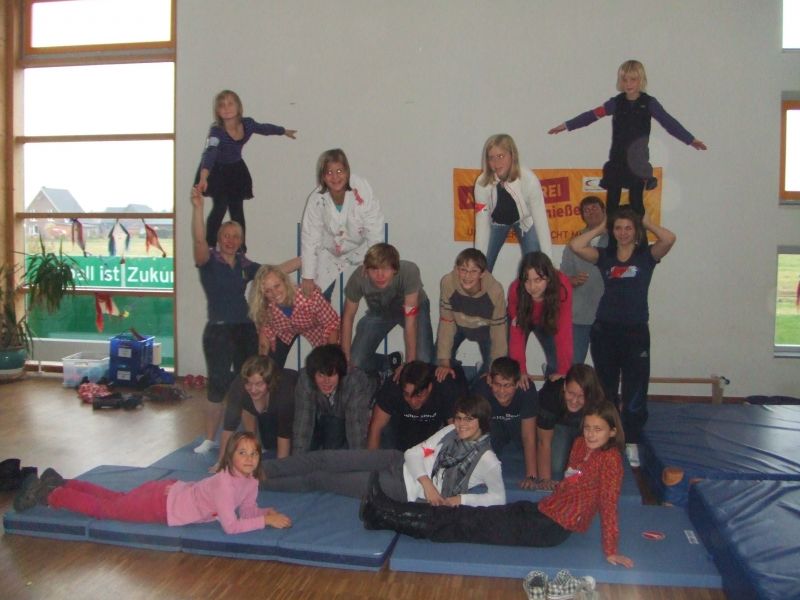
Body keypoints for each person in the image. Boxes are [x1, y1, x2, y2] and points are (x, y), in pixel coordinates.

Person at [360, 401, 634, 568]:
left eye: (598, 429)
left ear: (613, 431)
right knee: (469, 514)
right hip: (542, 510)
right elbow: (572, 480)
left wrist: (611, 550)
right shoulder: (580, 444)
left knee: (465, 524)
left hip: (552, 529)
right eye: (587, 427)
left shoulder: (611, 461)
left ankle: (384, 515)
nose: (590, 434)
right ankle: (384, 511)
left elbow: (609, 505)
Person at [191, 186, 299, 454]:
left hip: (245, 329)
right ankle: (209, 438)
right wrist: (198, 208)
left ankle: (253, 438)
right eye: (226, 236)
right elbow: (199, 241)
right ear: (219, 238)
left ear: (241, 241)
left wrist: (309, 257)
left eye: (236, 237)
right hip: (218, 331)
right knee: (217, 385)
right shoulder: (208, 261)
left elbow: (274, 271)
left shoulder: (244, 264)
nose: (231, 240)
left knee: (251, 382)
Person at [15, 433, 292, 534]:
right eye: (242, 453)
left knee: (116, 498)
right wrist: (264, 522)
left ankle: (63, 482)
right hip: (160, 505)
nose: (249, 458)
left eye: (254, 454)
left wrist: (263, 513)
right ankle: (50, 494)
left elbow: (246, 510)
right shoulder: (224, 484)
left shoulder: (250, 480)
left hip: (168, 492)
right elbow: (231, 527)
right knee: (107, 509)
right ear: (229, 457)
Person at [568, 208, 676, 465]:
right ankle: (606, 441)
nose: (623, 232)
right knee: (605, 390)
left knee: (634, 391)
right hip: (605, 331)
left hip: (635, 332)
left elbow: (669, 239)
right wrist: (601, 227)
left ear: (636, 230)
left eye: (628, 228)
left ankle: (632, 441)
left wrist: (648, 223)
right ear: (612, 231)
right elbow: (576, 245)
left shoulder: (646, 256)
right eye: (618, 228)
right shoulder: (605, 256)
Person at [263, 395, 505, 508]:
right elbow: (413, 453)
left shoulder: (487, 460)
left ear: (482, 422)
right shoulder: (451, 431)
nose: (461, 424)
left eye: (468, 420)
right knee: (324, 457)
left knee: (321, 479)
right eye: (459, 418)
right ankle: (258, 468)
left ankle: (257, 483)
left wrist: (460, 499)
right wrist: (428, 484)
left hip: (400, 488)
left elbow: (498, 497)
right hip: (395, 460)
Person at [548, 60, 706, 222]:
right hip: (617, 161)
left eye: (633, 79)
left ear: (641, 80)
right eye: (624, 80)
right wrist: (567, 125)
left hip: (638, 163)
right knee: (611, 206)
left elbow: (669, 122)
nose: (628, 84)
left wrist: (690, 139)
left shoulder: (649, 103)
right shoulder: (615, 103)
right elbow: (591, 115)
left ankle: (639, 237)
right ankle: (611, 237)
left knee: (637, 204)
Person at [195, 89, 297, 250]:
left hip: (235, 170)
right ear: (217, 111)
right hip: (216, 172)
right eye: (222, 105)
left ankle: (240, 250)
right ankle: (210, 247)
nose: (226, 108)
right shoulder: (217, 130)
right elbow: (210, 153)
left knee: (237, 211)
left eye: (230, 104)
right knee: (220, 207)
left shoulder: (247, 124)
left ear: (238, 107)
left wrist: (282, 131)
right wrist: (203, 177)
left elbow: (264, 128)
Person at [300, 148, 385, 301]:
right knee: (316, 296)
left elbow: (374, 227)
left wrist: (373, 262)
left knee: (378, 284)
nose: (335, 177)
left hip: (363, 247)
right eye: (329, 172)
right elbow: (310, 238)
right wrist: (307, 276)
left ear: (347, 171)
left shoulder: (362, 189)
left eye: (339, 171)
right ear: (322, 177)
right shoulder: (316, 200)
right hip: (329, 250)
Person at [341, 243, 434, 374]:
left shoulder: (409, 271)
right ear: (366, 269)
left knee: (423, 359)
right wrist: (345, 356)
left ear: (395, 269)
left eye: (385, 269)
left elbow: (411, 321)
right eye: (374, 269)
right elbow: (348, 317)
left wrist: (409, 364)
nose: (380, 275)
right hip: (380, 311)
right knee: (356, 362)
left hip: (413, 309)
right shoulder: (358, 278)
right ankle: (390, 362)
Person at [474, 134, 552, 272]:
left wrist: (549, 265)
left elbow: (541, 223)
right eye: (491, 158)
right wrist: (477, 266)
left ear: (512, 155)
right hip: (496, 223)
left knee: (535, 267)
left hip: (525, 221)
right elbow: (482, 224)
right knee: (482, 267)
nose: (496, 163)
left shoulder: (529, 180)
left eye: (501, 156)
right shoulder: (482, 183)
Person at [214, 355, 298, 470]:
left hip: (296, 403)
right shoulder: (238, 387)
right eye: (249, 383)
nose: (253, 389)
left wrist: (279, 468)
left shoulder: (285, 395)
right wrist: (220, 463)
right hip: (266, 406)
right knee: (268, 444)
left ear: (270, 383)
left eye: (259, 384)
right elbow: (228, 428)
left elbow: (284, 434)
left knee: (297, 451)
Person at [436, 248, 507, 382]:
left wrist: (494, 370)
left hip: (486, 329)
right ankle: (457, 374)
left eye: (474, 271)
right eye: (463, 270)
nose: (467, 276)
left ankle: (480, 375)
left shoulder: (495, 291)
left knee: (493, 375)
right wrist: (444, 362)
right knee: (437, 364)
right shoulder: (448, 283)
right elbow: (447, 322)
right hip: (457, 325)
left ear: (482, 273)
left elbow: (499, 332)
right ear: (457, 269)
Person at [248, 264, 339, 368]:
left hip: (315, 324)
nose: (274, 293)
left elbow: (331, 323)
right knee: (270, 364)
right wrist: (262, 367)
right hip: (284, 331)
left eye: (277, 286)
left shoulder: (309, 297)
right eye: (268, 291)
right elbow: (264, 339)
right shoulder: (265, 308)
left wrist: (332, 356)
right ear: (262, 294)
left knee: (327, 363)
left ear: (285, 282)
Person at [292, 344, 376, 453]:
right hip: (321, 420)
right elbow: (302, 425)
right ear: (313, 375)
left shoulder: (354, 382)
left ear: (340, 374)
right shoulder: (305, 380)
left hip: (348, 421)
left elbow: (356, 429)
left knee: (334, 432)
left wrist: (358, 460)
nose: (326, 382)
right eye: (321, 375)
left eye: (331, 375)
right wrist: (298, 459)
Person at [508, 252, 573, 388]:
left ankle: (550, 385)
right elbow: (517, 336)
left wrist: (563, 372)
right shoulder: (516, 290)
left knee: (559, 364)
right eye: (527, 280)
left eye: (538, 280)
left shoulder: (562, 287)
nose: (532, 287)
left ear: (549, 278)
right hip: (525, 318)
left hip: (548, 318)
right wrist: (521, 370)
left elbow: (564, 332)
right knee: (510, 363)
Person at [470, 357, 538, 488]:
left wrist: (531, 476)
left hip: (518, 428)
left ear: (517, 383)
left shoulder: (527, 390)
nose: (501, 391)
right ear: (490, 381)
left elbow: (528, 437)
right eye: (497, 385)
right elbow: (475, 433)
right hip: (494, 429)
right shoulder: (481, 390)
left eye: (507, 385)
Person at [367, 360, 465, 451]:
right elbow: (376, 427)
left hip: (431, 441)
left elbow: (456, 430)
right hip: (397, 438)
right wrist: (373, 461)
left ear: (430, 387)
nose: (413, 402)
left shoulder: (444, 386)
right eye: (407, 395)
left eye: (419, 396)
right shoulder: (394, 385)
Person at [535, 364, 604, 489]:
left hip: (586, 430)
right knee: (556, 465)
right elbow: (543, 441)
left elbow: (601, 437)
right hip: (560, 427)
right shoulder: (550, 394)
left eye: (581, 396)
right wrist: (545, 479)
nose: (574, 400)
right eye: (571, 393)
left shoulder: (598, 400)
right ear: (564, 386)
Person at [559, 196, 608, 364]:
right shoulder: (574, 243)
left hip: (608, 315)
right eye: (586, 210)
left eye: (594, 208)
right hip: (579, 315)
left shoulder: (616, 239)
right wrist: (571, 280)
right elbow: (562, 277)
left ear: (604, 210)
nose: (591, 212)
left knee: (606, 365)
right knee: (574, 363)